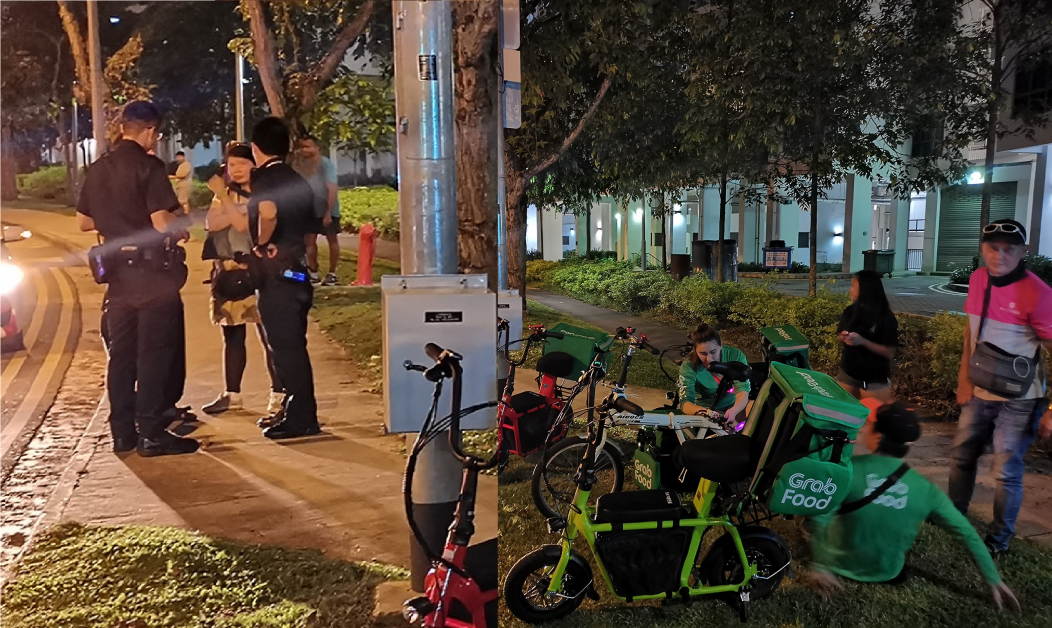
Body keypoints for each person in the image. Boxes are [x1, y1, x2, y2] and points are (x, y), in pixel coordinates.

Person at [808, 402, 1019, 611]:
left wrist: (822, 566)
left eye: (870, 425)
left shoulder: (848, 469)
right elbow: (967, 534)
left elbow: (820, 516)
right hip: (888, 573)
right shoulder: (926, 490)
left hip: (838, 565)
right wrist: (993, 579)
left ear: (878, 436)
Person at [75, 100, 198, 457]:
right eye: (155, 134)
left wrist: (117, 221)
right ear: (148, 131)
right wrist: (182, 229)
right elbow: (162, 221)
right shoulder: (149, 166)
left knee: (122, 356)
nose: (155, 140)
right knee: (155, 354)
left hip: (117, 279)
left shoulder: (98, 169)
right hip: (152, 277)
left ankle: (122, 434)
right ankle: (153, 434)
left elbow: (83, 222)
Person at [950, 219, 1052, 556]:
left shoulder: (1038, 294)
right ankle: (953, 521)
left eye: (1010, 248)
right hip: (979, 391)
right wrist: (964, 378)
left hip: (1021, 399)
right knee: (962, 457)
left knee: (1005, 471)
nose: (1000, 255)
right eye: (993, 247)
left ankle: (998, 541)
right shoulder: (979, 280)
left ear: (1024, 252)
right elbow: (970, 332)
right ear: (983, 249)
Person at [248, 117, 321, 439]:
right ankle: (297, 410)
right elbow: (309, 231)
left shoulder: (264, 178)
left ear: (255, 148)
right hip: (297, 272)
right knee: (294, 347)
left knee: (285, 349)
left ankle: (302, 416)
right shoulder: (297, 180)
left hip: (277, 276)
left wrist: (262, 243)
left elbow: (268, 212)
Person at [201, 143, 284, 416]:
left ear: (254, 165)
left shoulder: (262, 194)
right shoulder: (226, 195)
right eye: (231, 165)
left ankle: (279, 393)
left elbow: (241, 224)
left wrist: (223, 200)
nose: (235, 170)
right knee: (232, 334)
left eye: (241, 163)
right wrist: (227, 205)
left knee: (269, 336)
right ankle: (232, 394)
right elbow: (211, 224)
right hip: (228, 274)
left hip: (258, 273)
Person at [836, 270, 899, 402]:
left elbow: (889, 352)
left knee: (873, 419)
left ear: (865, 289)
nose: (849, 289)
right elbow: (839, 336)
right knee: (845, 418)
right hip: (848, 374)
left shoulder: (885, 317)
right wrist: (844, 337)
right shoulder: (850, 311)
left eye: (853, 286)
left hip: (875, 380)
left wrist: (862, 341)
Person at [678, 323, 751, 425]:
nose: (709, 359)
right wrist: (705, 413)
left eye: (713, 352)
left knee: (754, 408)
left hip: (733, 406)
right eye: (703, 354)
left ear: (720, 345)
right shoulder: (689, 365)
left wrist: (734, 411)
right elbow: (685, 402)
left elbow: (743, 390)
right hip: (704, 410)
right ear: (695, 350)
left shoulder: (734, 355)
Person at [294, 135, 341, 285]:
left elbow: (332, 188)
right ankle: (313, 272)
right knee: (310, 241)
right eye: (302, 147)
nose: (305, 150)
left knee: (332, 239)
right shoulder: (302, 165)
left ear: (317, 148)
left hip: (328, 208)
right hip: (310, 209)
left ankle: (332, 273)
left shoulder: (325, 164)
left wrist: (328, 211)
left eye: (308, 146)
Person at [170, 150, 193, 215]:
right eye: (177, 157)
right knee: (182, 200)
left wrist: (172, 177)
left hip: (185, 185)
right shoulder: (181, 165)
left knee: (183, 200)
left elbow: (182, 175)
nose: (178, 159)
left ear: (183, 157)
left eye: (179, 157)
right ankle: (185, 212)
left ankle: (186, 213)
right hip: (180, 185)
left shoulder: (186, 164)